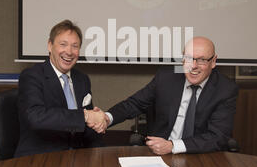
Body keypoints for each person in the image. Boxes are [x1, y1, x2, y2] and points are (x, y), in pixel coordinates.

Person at [95, 37, 238, 155]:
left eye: (201, 60)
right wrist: (108, 118)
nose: (193, 66)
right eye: (188, 58)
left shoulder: (225, 89)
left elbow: (217, 137)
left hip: (203, 156)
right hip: (161, 156)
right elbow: (135, 103)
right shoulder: (167, 76)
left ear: (213, 61)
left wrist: (172, 146)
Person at [14, 20, 107, 157]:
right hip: (40, 157)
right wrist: (86, 116)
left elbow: (87, 128)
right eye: (63, 44)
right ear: (50, 46)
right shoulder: (32, 76)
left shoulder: (82, 79)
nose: (69, 52)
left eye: (75, 46)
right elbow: (36, 117)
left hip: (77, 158)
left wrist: (98, 125)